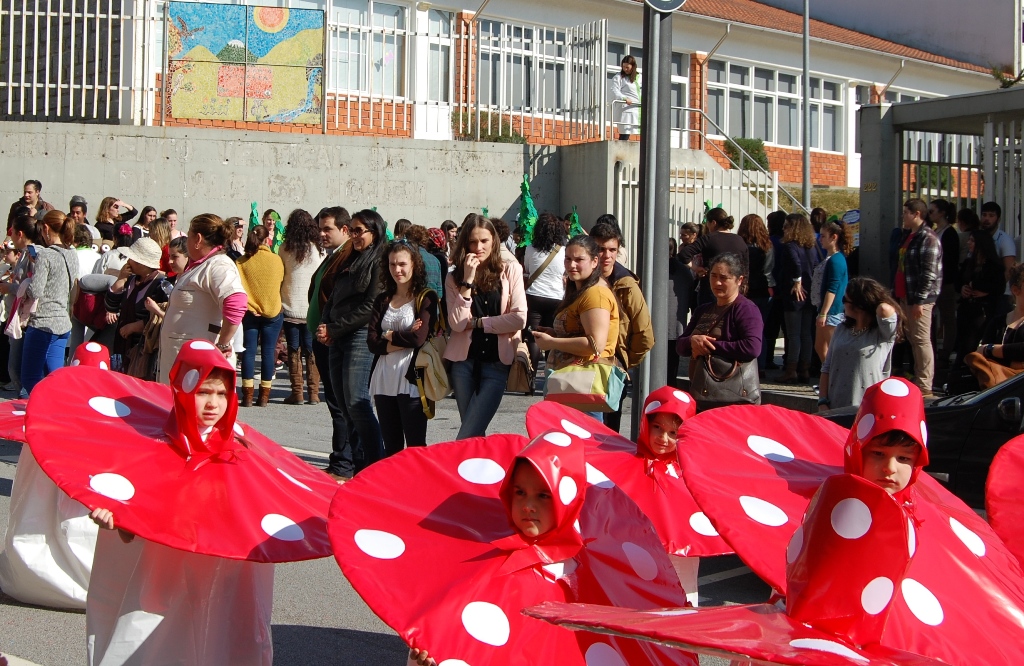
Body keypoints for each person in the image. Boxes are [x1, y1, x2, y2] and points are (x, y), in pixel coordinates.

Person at [444, 214, 527, 439]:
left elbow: (519, 318)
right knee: (473, 431)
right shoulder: (455, 278)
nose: (478, 247)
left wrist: (480, 323)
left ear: (494, 241)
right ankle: (477, 472)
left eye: (484, 241)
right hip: (463, 362)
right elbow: (458, 324)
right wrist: (468, 281)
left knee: (469, 431)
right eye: (472, 241)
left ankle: (454, 466)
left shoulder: (510, 270)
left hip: (496, 361)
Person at [317, 209, 386, 472]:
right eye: (352, 230)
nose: (354, 236)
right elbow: (333, 298)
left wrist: (334, 329)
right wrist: (326, 325)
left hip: (358, 336)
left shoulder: (378, 261)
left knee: (357, 403)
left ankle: (375, 465)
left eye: (359, 231)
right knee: (345, 407)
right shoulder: (350, 260)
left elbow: (370, 306)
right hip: (337, 337)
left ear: (374, 232)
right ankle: (361, 465)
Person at [533, 234, 618, 419]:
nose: (571, 265)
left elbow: (595, 344)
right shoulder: (581, 290)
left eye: (579, 260)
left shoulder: (595, 294)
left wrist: (553, 342)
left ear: (595, 262)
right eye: (568, 259)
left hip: (583, 381)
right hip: (571, 380)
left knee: (586, 440)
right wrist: (555, 333)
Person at [367, 241, 438, 457]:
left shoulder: (426, 298)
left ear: (414, 264)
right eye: (391, 265)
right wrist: (402, 337)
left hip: (412, 378)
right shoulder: (383, 299)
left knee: (416, 445)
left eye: (402, 264)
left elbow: (418, 338)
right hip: (384, 375)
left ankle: (417, 488)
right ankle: (392, 489)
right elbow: (372, 342)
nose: (397, 270)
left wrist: (388, 335)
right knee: (391, 446)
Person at [158, 213, 247, 384]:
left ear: (197, 239)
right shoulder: (201, 265)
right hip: (186, 361)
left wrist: (222, 344)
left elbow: (236, 301)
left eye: (189, 235)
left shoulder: (218, 265)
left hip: (198, 364)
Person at [589, 220, 654, 431]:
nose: (607, 255)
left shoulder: (627, 285)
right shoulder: (581, 278)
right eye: (601, 249)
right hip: (582, 366)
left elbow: (645, 334)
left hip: (611, 370)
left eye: (612, 250)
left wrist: (624, 364)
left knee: (606, 434)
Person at [677, 253, 762, 410]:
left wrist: (709, 346)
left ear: (739, 280)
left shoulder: (746, 309)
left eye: (724, 278)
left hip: (736, 400)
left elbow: (752, 347)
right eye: (713, 276)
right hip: (702, 395)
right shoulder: (703, 309)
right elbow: (681, 347)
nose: (717, 282)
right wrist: (692, 341)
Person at [309, 207, 353, 481]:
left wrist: (333, 330)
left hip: (333, 339)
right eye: (321, 229)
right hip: (322, 338)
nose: (322, 234)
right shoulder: (332, 257)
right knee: (336, 404)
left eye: (328, 229)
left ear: (344, 230)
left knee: (341, 405)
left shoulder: (346, 258)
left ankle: (343, 463)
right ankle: (341, 460)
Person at [818, 277, 902, 411]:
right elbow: (826, 367)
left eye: (845, 300)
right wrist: (822, 401)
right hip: (835, 405)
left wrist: (873, 298)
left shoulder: (882, 333)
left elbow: (885, 309)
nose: (843, 304)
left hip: (867, 409)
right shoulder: (841, 329)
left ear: (859, 304)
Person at [18, 212, 78, 394]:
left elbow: (36, 291)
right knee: (55, 377)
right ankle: (57, 411)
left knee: (30, 378)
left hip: (43, 322)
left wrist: (24, 287)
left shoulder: (45, 255)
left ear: (45, 228)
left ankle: (40, 413)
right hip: (63, 323)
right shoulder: (72, 254)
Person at [895, 198, 942, 396]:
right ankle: (918, 377)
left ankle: (925, 383)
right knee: (913, 339)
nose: (903, 216)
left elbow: (929, 273)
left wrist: (920, 300)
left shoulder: (928, 238)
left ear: (917, 214)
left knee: (922, 339)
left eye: (906, 212)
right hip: (905, 296)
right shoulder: (910, 236)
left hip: (919, 299)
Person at [104, 238, 168, 379]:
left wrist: (135, 327)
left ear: (142, 263)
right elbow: (111, 306)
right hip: (122, 345)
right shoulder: (130, 280)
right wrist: (121, 279)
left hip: (143, 351)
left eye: (132, 259)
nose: (128, 262)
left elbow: (163, 318)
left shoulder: (161, 285)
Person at [278, 209, 323, 405]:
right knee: (311, 350)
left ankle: (297, 393)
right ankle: (313, 393)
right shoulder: (319, 249)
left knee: (293, 349)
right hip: (311, 308)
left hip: (289, 306)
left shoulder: (284, 248)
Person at [236, 225, 285, 407]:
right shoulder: (276, 260)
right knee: (268, 351)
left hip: (250, 312)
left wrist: (250, 305)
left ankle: (247, 394)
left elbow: (239, 287)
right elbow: (278, 283)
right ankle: (264, 395)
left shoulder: (241, 262)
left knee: (248, 352)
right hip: (272, 310)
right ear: (267, 240)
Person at [523, 212, 566, 380]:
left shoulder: (529, 248)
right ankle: (550, 378)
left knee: (532, 337)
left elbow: (527, 270)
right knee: (552, 338)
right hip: (556, 297)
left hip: (534, 296)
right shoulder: (563, 251)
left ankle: (530, 379)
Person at [676, 207, 749, 307]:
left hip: (711, 287)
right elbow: (745, 266)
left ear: (713, 223)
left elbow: (684, 254)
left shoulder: (708, 239)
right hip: (733, 287)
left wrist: (696, 268)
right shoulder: (739, 240)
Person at [953, 229, 1005, 368]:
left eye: (972, 240)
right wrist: (963, 288)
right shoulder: (969, 262)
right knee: (963, 343)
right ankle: (958, 374)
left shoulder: (994, 265)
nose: (969, 243)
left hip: (982, 310)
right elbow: (958, 281)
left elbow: (998, 287)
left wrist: (979, 288)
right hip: (966, 308)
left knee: (972, 343)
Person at [778, 213, 819, 383]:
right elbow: (816, 264)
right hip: (809, 292)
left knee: (793, 333)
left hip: (794, 293)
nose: (783, 228)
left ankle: (791, 369)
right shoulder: (811, 246)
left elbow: (796, 264)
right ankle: (805, 369)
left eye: (786, 225)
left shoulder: (790, 246)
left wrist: (797, 280)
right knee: (806, 333)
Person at [737, 214, 774, 375]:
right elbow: (768, 270)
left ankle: (745, 364)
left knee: (742, 329)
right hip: (763, 290)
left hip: (745, 290)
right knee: (761, 329)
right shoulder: (766, 246)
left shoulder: (740, 246)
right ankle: (761, 365)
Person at [814, 220, 853, 366]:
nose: (820, 239)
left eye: (823, 236)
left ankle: (834, 378)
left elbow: (833, 288)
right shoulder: (833, 258)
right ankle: (829, 376)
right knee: (820, 346)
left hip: (832, 311)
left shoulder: (836, 260)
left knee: (832, 349)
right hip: (826, 309)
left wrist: (824, 312)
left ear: (834, 237)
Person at [976, 263, 1024, 382]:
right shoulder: (998, 322)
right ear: (1016, 290)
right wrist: (1014, 362)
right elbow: (982, 356)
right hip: (998, 391)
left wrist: (991, 349)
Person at [979, 201, 1018, 344]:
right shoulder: (979, 238)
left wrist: (992, 290)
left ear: (998, 218)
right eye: (984, 215)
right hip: (983, 294)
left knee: (997, 334)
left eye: (991, 215)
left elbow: (1009, 271)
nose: (987, 219)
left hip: (1001, 295)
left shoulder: (1004, 240)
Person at [928, 199, 960, 370]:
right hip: (934, 282)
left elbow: (950, 261)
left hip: (945, 282)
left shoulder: (950, 234)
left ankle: (946, 352)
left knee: (948, 318)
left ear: (942, 213)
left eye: (932, 211)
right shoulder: (934, 231)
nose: (930, 214)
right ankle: (932, 350)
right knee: (930, 318)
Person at [667, 235, 695, 387]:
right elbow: (691, 296)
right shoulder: (684, 271)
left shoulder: (652, 269)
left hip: (654, 326)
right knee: (672, 367)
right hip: (676, 325)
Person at [403, 224, 443, 299]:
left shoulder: (408, 258)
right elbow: (439, 293)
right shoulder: (435, 260)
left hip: (413, 304)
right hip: (432, 305)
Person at [610, 55, 641, 140]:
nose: (625, 69)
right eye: (623, 67)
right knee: (625, 132)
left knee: (642, 131)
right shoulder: (619, 77)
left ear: (633, 67)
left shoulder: (639, 78)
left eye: (627, 67)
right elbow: (614, 90)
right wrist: (624, 98)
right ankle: (620, 151)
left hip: (638, 109)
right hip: (626, 109)